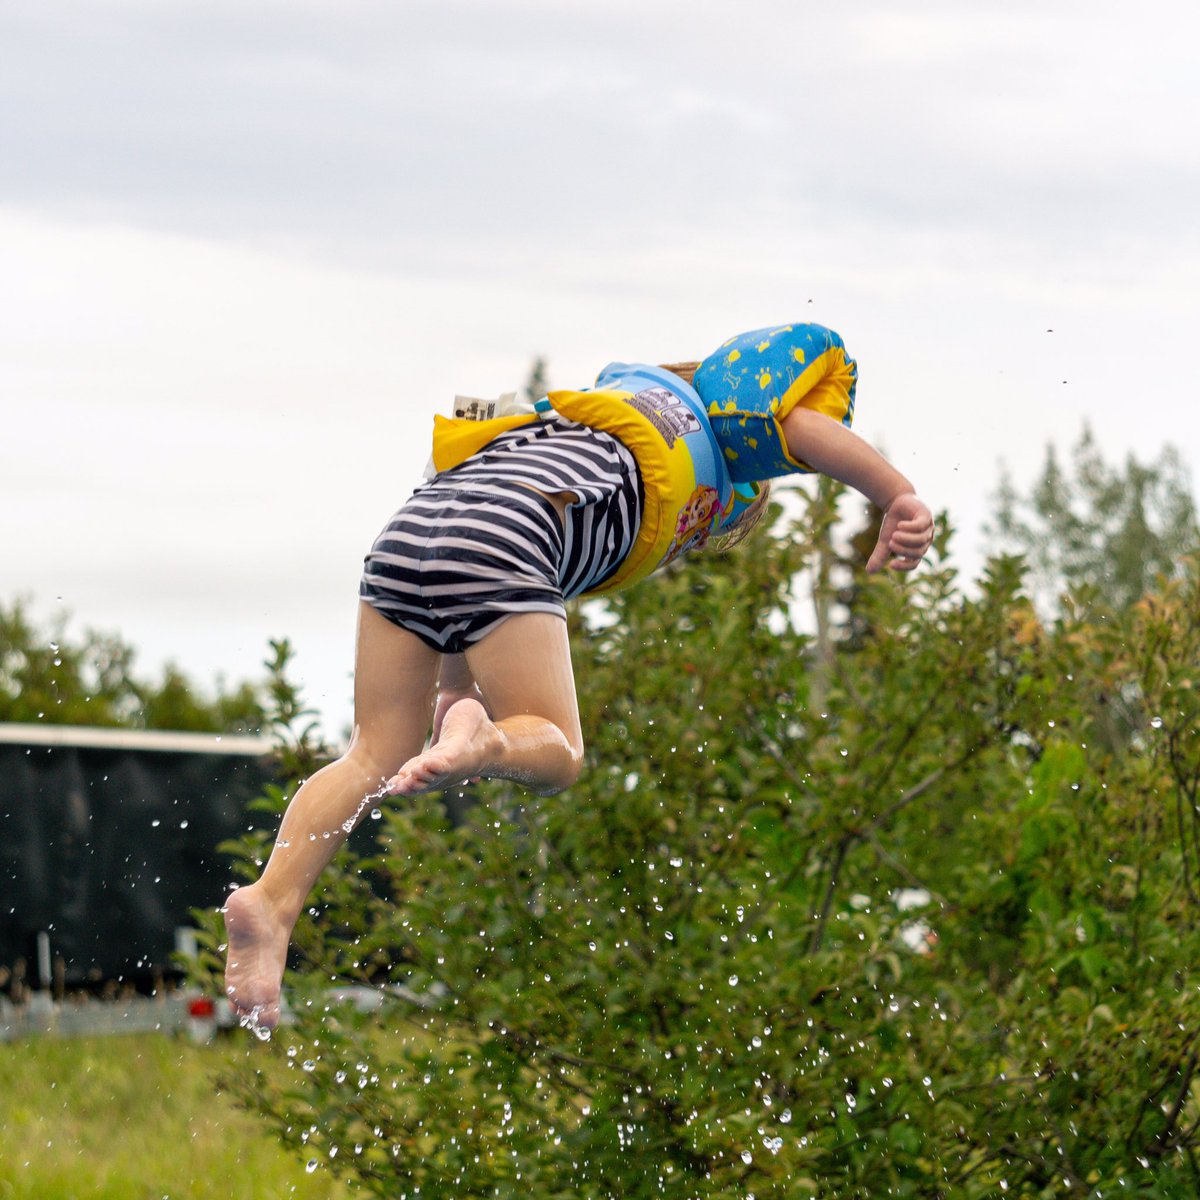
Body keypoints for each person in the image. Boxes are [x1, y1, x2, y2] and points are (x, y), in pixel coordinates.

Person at [222, 322, 935, 1031]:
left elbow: (463, 569)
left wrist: (456, 690)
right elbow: (801, 427)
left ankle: (271, 900)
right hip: (513, 535)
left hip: (411, 528)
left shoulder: (582, 421)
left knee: (375, 752)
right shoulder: (725, 419)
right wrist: (895, 494)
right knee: (558, 752)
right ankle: (484, 744)